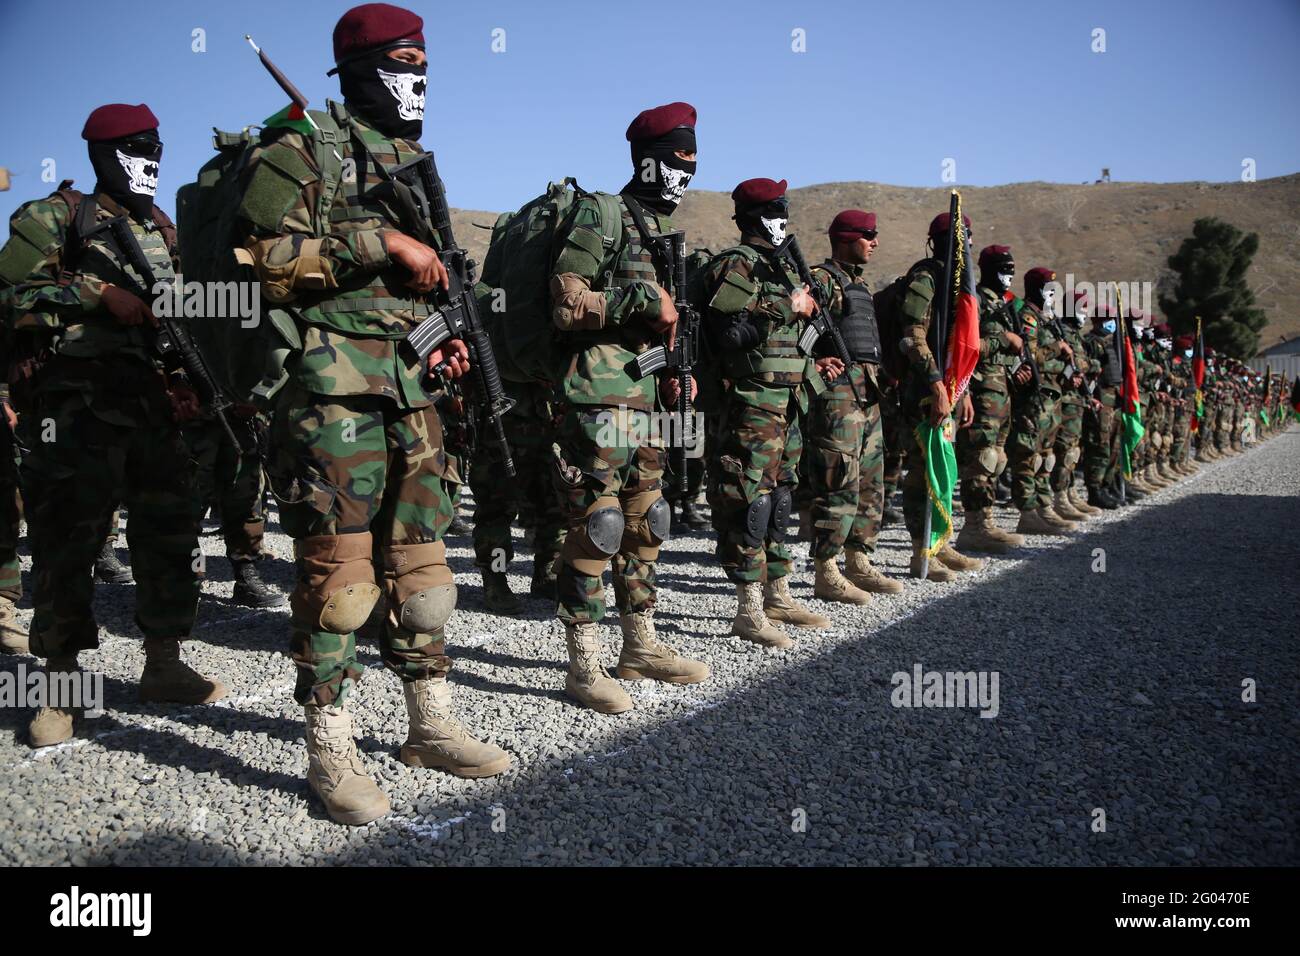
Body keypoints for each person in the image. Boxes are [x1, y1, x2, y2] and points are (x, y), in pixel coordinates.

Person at [239, 3, 511, 825]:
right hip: (330, 397)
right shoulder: (300, 147)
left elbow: (410, 300)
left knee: (424, 577)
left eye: (424, 66)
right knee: (340, 582)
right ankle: (331, 745)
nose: (417, 80)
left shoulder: (410, 165)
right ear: (359, 72)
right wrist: (383, 246)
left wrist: (443, 343)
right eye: (401, 64)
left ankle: (428, 722)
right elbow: (262, 262)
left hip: (412, 393)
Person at [3, 102, 228, 748]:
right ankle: (60, 686)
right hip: (76, 411)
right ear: (102, 154)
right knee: (67, 543)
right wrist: (100, 296)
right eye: (136, 148)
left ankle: (162, 663)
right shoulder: (55, 218)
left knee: (168, 537)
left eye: (156, 149)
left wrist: (194, 380)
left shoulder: (161, 231)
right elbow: (9, 292)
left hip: (153, 411)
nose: (149, 162)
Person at [549, 101, 709, 712]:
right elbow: (566, 303)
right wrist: (642, 299)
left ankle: (638, 644)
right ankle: (583, 664)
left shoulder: (663, 236)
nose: (685, 172)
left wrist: (676, 373)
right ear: (647, 160)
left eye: (693, 160)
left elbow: (667, 327)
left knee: (649, 521)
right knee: (600, 524)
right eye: (676, 159)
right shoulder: (604, 215)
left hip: (647, 397)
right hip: (597, 396)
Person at [703, 178, 831, 646]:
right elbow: (725, 324)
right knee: (749, 502)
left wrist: (816, 360)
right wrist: (787, 304)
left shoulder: (785, 270)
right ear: (756, 216)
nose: (784, 218)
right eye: (777, 209)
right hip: (750, 404)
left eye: (786, 208)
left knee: (779, 501)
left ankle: (778, 591)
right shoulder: (736, 264)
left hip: (788, 403)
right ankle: (748, 609)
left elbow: (791, 337)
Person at [803, 209, 902, 604]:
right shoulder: (821, 280)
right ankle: (826, 570)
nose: (875, 242)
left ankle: (858, 560)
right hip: (837, 397)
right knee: (837, 479)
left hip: (868, 394)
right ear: (846, 238)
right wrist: (813, 363)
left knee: (870, 481)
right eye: (868, 235)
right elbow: (797, 328)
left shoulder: (858, 286)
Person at [894, 213, 983, 579]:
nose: (964, 245)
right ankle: (921, 552)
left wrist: (963, 392)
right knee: (922, 469)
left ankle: (940, 544)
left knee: (944, 467)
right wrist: (936, 386)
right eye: (957, 238)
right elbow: (912, 335)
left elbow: (958, 345)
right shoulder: (927, 277)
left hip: (948, 390)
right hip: (924, 391)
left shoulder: (958, 283)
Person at [955, 244, 1030, 554]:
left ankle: (986, 519)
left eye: (1012, 269)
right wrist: (1004, 339)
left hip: (1002, 391)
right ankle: (974, 527)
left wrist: (1016, 369)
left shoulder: (1005, 305)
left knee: (996, 459)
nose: (1009, 276)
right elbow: (967, 346)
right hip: (983, 392)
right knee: (980, 459)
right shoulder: (977, 301)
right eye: (1003, 268)